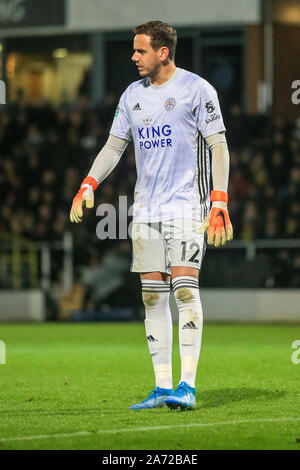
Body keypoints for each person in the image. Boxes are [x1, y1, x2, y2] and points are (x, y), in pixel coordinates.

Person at [70, 21, 233, 411]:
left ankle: (187, 386)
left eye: (140, 50)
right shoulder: (132, 95)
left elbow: (219, 148)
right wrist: (88, 183)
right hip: (145, 210)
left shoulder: (197, 89)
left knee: (184, 289)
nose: (133, 57)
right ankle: (162, 388)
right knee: (151, 296)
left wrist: (219, 202)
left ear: (163, 52)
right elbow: (113, 147)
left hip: (186, 206)